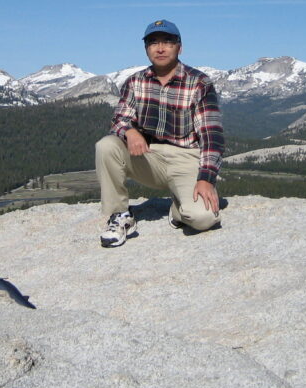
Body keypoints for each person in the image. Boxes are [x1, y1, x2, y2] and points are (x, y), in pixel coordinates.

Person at [96, 19, 224, 247]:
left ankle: (179, 208)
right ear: (146, 49)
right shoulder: (135, 82)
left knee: (203, 218)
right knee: (106, 145)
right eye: (153, 43)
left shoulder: (199, 83)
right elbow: (118, 120)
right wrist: (129, 131)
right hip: (149, 157)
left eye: (168, 42)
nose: (161, 48)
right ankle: (119, 214)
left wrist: (206, 179)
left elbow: (211, 136)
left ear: (179, 47)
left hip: (187, 159)